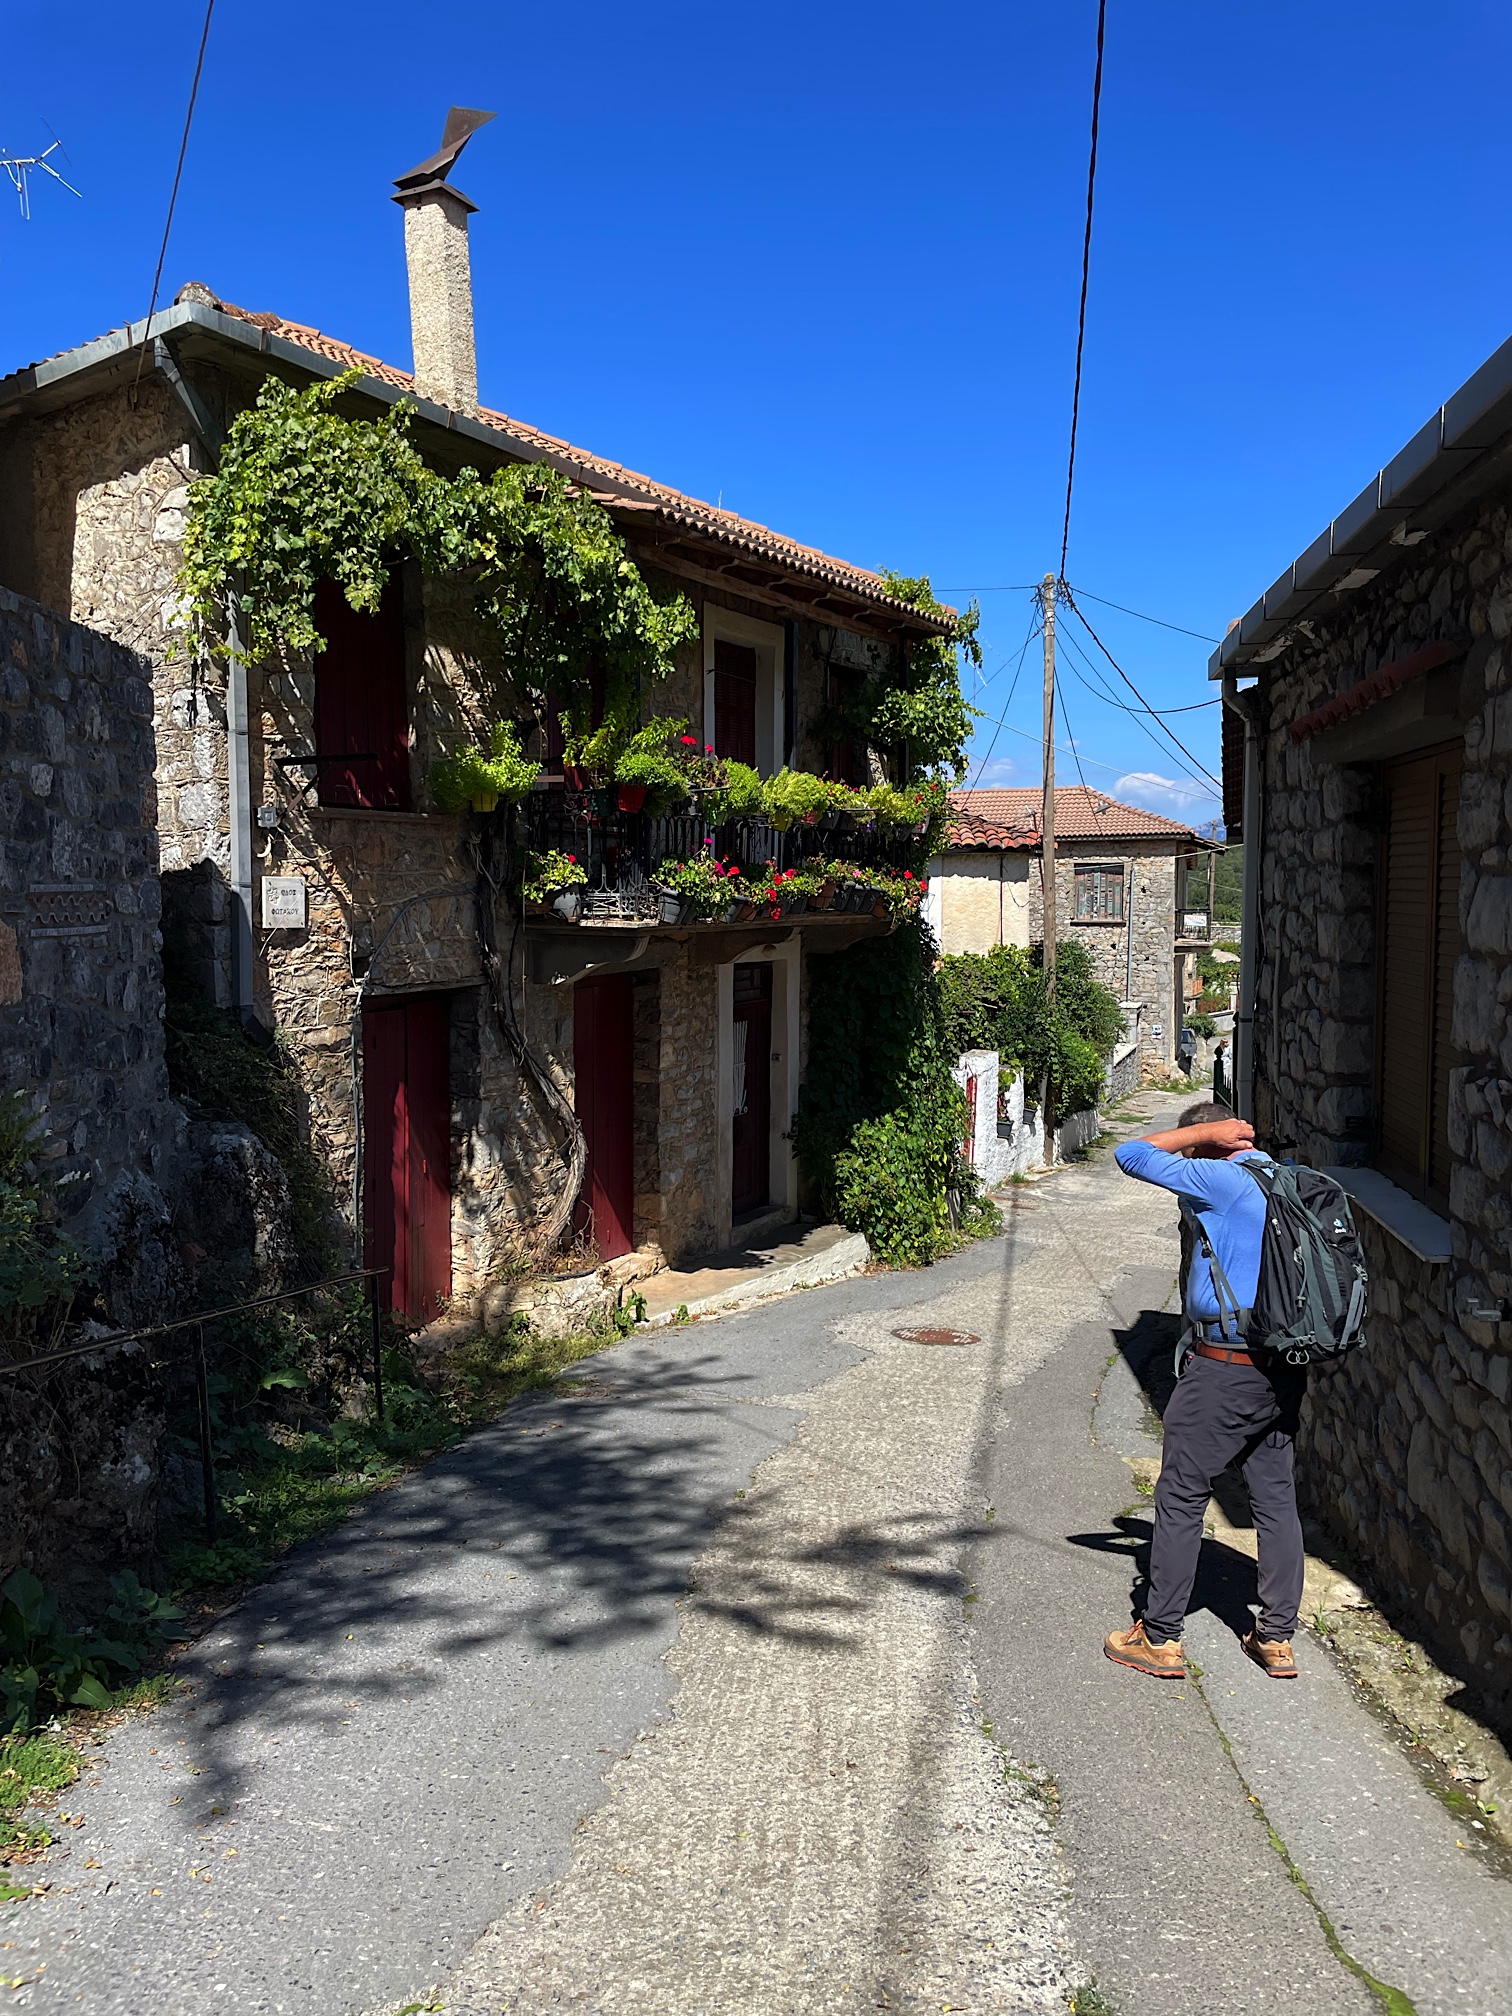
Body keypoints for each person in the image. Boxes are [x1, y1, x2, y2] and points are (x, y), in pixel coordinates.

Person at [1103, 1103, 1305, 1682]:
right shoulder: (1286, 1180)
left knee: (1183, 1493)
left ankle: (1161, 1637)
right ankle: (1275, 1638)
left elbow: (1131, 1153)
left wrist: (1198, 1135)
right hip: (1283, 1367)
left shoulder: (1219, 1179)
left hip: (1225, 1367)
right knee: (1274, 1499)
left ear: (1208, 1146)